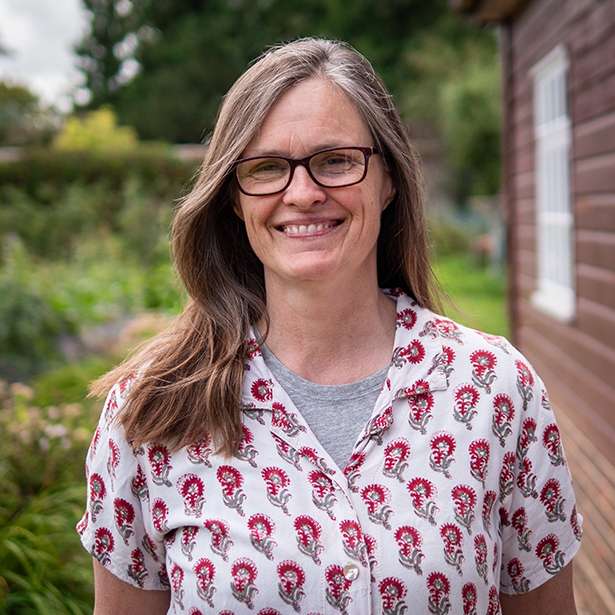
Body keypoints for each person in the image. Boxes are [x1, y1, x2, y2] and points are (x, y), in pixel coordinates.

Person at [76, 38, 583, 615]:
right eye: (266, 168)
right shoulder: (149, 411)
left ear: (388, 179)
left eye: (336, 160)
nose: (303, 193)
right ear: (234, 200)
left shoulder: (495, 389)